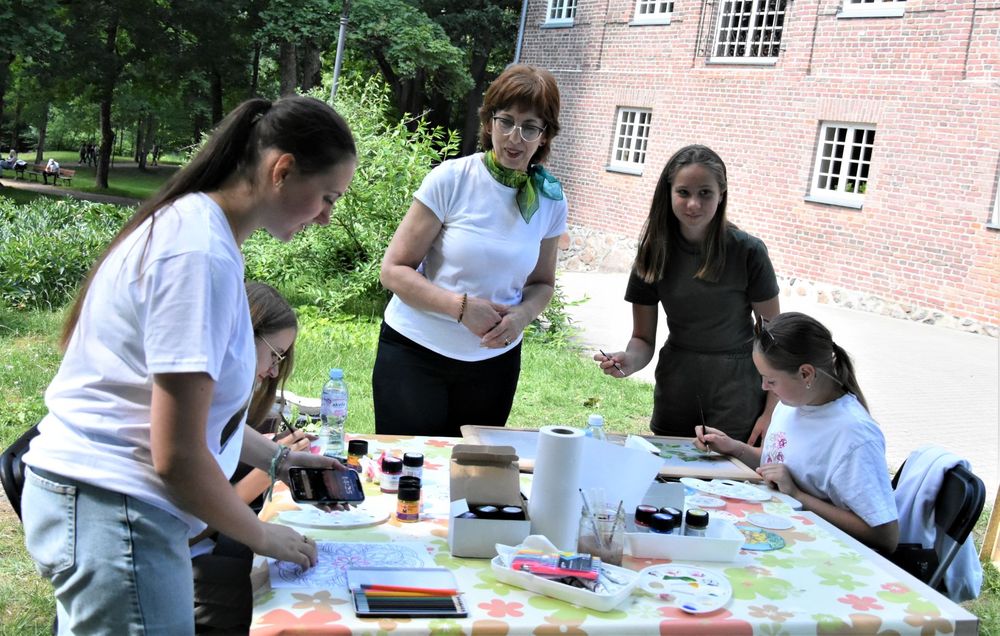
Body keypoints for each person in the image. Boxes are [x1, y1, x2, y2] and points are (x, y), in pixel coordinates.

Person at [21, 95, 357, 634]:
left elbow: (201, 420)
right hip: (117, 513)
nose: (326, 216)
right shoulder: (197, 253)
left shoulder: (202, 234)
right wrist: (261, 534)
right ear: (282, 170)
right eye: (326, 197)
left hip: (112, 511)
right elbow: (176, 454)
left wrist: (281, 461)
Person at [373, 63, 568, 437]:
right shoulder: (451, 179)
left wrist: (522, 316)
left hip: (494, 364)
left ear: (545, 136)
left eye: (530, 127)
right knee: (411, 468)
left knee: (472, 469)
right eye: (506, 121)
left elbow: (542, 283)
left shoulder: (550, 200)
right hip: (415, 354)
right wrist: (461, 308)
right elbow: (393, 271)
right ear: (489, 122)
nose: (514, 137)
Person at [595, 144, 779, 443]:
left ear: (721, 194)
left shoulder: (748, 252)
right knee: (672, 467)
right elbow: (642, 339)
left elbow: (775, 341)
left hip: (738, 390)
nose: (694, 204)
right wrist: (629, 360)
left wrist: (771, 412)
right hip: (677, 385)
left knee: (729, 470)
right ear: (669, 193)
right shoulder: (653, 252)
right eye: (683, 192)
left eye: (705, 193)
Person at [695, 311, 899, 554]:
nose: (764, 387)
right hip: (776, 535)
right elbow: (778, 464)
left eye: (771, 380)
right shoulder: (792, 404)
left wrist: (798, 495)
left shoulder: (854, 436)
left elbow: (885, 535)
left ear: (805, 374)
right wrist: (734, 448)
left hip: (823, 554)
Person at [191, 281, 312, 633]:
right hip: (183, 560)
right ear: (243, 335)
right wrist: (261, 528)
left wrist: (280, 461)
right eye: (275, 355)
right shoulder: (191, 403)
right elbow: (193, 527)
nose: (274, 371)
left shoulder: (213, 400)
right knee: (280, 591)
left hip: (201, 547)